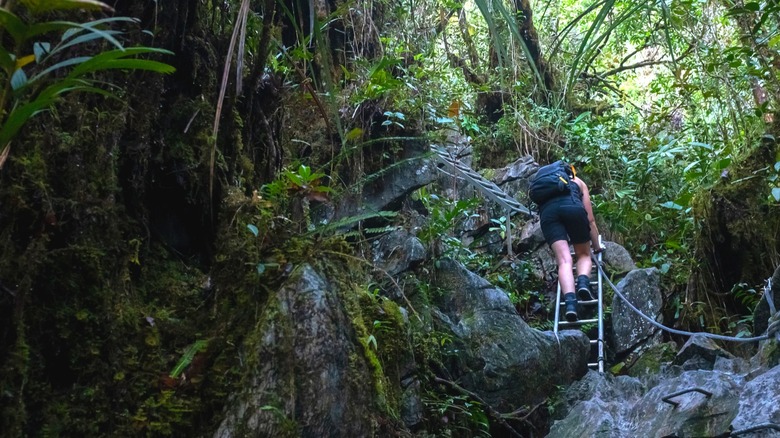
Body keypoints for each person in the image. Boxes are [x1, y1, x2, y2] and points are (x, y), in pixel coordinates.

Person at [536, 163, 604, 322]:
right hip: (572, 207)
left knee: (564, 261)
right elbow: (590, 219)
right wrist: (597, 246)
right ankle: (582, 283)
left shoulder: (546, 188)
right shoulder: (578, 182)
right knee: (583, 254)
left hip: (548, 215)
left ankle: (571, 306)